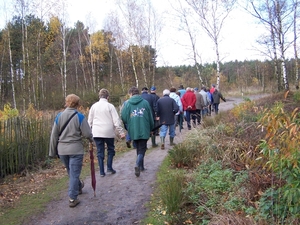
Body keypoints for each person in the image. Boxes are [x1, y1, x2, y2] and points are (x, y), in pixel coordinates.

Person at [49, 94, 93, 208]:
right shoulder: (80, 117)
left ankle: (78, 186)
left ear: (66, 102)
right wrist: (91, 140)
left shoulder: (59, 116)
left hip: (62, 150)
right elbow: (87, 133)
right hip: (76, 149)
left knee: (71, 171)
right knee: (73, 173)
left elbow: (54, 136)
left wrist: (52, 152)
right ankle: (73, 198)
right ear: (78, 104)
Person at [88, 89, 125, 177]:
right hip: (108, 131)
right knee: (110, 149)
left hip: (96, 132)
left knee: (100, 151)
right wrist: (121, 132)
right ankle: (109, 167)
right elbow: (116, 120)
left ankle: (101, 171)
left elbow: (89, 121)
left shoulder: (94, 106)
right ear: (108, 97)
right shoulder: (110, 106)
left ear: (99, 96)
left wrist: (89, 133)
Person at [121, 87, 154, 177]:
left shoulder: (127, 104)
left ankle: (141, 166)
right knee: (142, 148)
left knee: (138, 148)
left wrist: (130, 122)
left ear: (130, 94)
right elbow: (150, 117)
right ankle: (137, 164)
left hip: (133, 129)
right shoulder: (145, 103)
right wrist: (151, 128)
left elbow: (123, 117)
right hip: (144, 128)